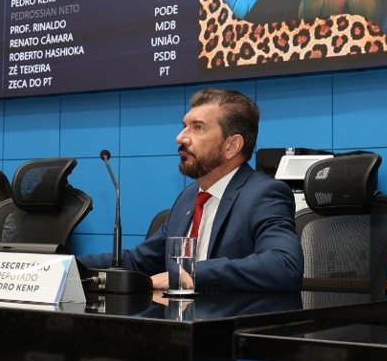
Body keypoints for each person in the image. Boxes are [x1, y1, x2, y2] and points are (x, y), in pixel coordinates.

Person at [79, 88, 302, 292]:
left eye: (198, 127)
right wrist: (67, 265)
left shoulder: (264, 194)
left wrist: (191, 275)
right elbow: (138, 261)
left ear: (231, 146)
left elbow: (284, 264)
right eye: (184, 125)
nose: (180, 137)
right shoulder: (189, 198)